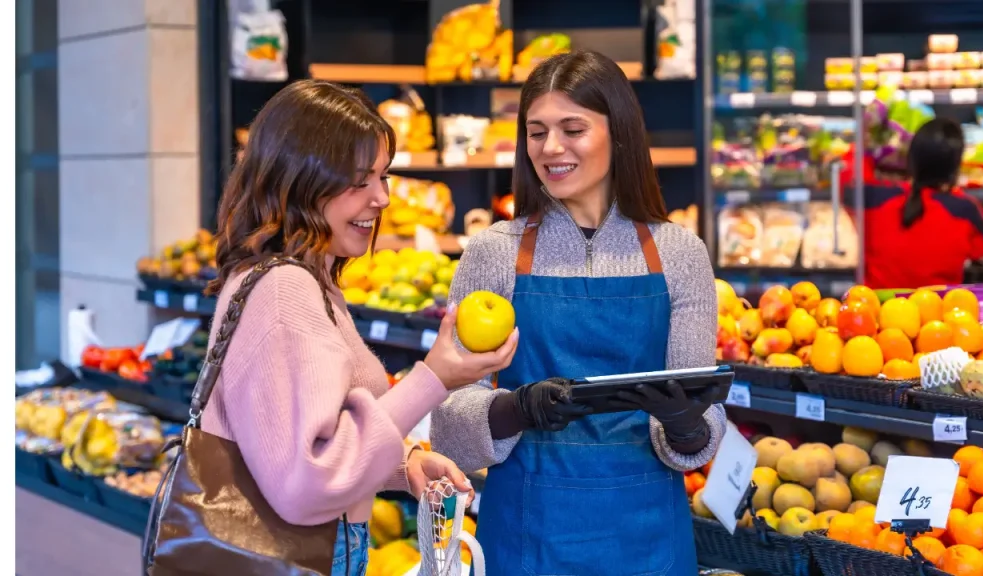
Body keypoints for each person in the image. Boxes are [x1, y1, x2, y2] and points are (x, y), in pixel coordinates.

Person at [202, 80, 518, 576]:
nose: (383, 198)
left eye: (383, 176)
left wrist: (401, 462)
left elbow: (306, 441)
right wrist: (433, 378)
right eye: (359, 180)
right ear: (300, 179)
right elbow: (306, 484)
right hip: (308, 553)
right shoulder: (286, 289)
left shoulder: (303, 278)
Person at [430, 51, 726, 576]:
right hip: (527, 533)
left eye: (573, 128)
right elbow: (448, 419)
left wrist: (687, 424)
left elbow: (701, 427)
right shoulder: (492, 252)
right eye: (537, 131)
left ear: (620, 133)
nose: (551, 148)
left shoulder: (680, 253)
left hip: (649, 537)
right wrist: (516, 408)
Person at [841, 118, 983, 289]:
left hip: (879, 309)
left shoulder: (878, 198)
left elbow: (845, 181)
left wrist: (864, 142)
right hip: (940, 309)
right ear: (956, 165)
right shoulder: (966, 210)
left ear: (911, 159)